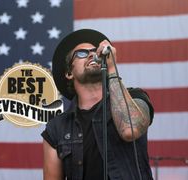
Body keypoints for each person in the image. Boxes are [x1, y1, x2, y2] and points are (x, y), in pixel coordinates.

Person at [41, 29, 154, 180]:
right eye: (81, 53)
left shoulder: (135, 97)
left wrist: (112, 68)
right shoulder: (57, 127)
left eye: (95, 52)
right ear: (69, 73)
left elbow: (129, 130)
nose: (91, 55)